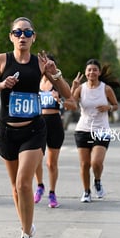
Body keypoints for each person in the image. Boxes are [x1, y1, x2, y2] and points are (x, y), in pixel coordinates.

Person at [0, 17, 71, 238]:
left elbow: (67, 94)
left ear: (33, 37)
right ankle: (26, 226)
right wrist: (1, 85)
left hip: (33, 131)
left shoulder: (41, 64)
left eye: (27, 33)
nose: (22, 37)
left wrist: (54, 72)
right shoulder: (1, 60)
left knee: (23, 183)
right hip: (8, 132)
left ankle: (26, 236)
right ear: (11, 36)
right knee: (15, 187)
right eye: (18, 32)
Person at [71, 59, 119, 203]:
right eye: (89, 70)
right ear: (86, 73)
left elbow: (116, 105)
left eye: (94, 69)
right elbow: (71, 104)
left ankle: (97, 181)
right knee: (85, 164)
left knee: (96, 162)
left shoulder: (106, 89)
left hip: (101, 130)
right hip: (83, 129)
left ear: (98, 72)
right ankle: (86, 192)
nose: (91, 72)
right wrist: (73, 87)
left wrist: (109, 108)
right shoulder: (81, 88)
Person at [34, 55, 77, 209]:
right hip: (38, 123)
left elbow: (72, 104)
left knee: (51, 163)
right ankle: (40, 185)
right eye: (42, 64)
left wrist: (60, 101)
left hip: (54, 123)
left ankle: (52, 192)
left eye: (48, 64)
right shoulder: (35, 81)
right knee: (35, 159)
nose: (45, 67)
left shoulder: (58, 84)